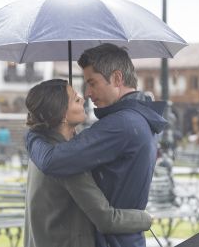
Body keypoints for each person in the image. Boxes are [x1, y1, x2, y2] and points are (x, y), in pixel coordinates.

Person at [26, 43, 167, 247]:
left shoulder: (122, 125)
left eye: (93, 83)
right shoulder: (136, 119)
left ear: (117, 78)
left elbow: (53, 160)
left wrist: (32, 136)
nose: (88, 93)